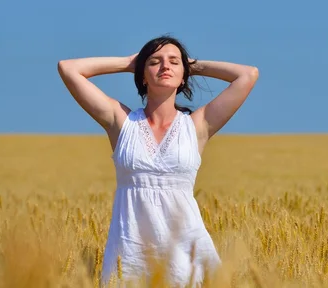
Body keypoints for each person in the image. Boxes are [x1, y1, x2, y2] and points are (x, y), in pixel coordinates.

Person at [57, 35, 259, 286]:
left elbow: (248, 75)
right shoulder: (121, 122)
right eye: (155, 62)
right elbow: (69, 69)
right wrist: (129, 62)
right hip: (131, 253)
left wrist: (190, 64)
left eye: (174, 62)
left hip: (188, 252)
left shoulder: (198, 125)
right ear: (142, 75)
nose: (165, 66)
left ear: (184, 75)